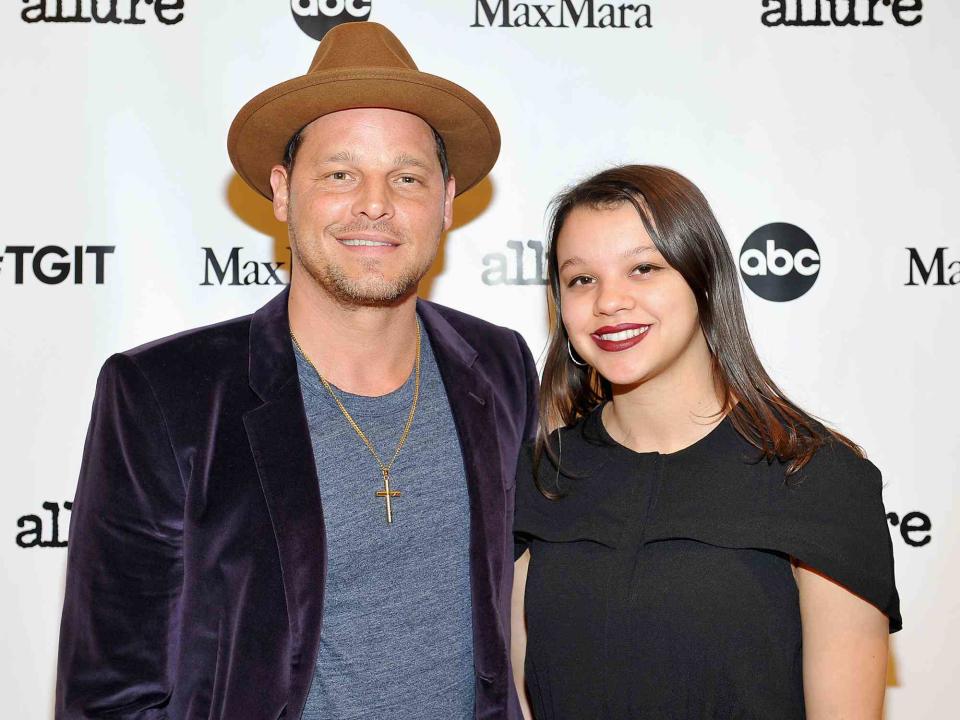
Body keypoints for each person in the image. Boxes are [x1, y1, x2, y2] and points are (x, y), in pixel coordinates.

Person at [57, 22, 537, 719]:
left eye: (406, 177)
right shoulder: (166, 395)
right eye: (340, 174)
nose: (374, 202)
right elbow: (110, 692)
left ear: (446, 201)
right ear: (283, 193)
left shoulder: (500, 367)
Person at [511, 165, 900, 719]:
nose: (609, 301)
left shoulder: (815, 476)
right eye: (581, 279)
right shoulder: (539, 479)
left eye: (644, 268)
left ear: (704, 280)